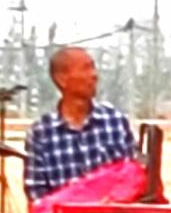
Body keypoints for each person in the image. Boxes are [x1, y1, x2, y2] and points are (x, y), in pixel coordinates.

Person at [25, 45, 140, 202]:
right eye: (86, 68)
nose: (94, 75)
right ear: (62, 79)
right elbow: (36, 194)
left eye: (93, 67)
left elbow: (135, 178)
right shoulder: (41, 133)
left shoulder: (115, 123)